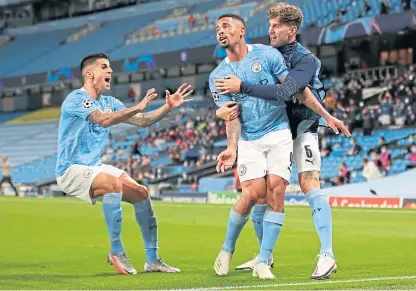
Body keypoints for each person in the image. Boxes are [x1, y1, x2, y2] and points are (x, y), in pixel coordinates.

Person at [214, 3, 350, 280]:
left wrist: (327, 116)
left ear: (293, 30)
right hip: (271, 131)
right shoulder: (267, 54)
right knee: (260, 193)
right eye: (269, 25)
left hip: (302, 128)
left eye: (276, 26)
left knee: (309, 182)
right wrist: (221, 110)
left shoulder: (306, 60)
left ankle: (327, 254)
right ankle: (265, 256)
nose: (270, 30)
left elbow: (289, 91)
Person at [55, 52, 193, 275]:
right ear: (89, 74)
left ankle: (152, 260)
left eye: (110, 67)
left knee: (141, 192)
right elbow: (103, 119)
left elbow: (142, 121)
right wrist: (138, 106)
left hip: (93, 165)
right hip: (70, 169)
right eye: (104, 67)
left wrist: (167, 108)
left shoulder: (110, 102)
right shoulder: (76, 99)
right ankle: (116, 251)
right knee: (114, 185)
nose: (110, 71)